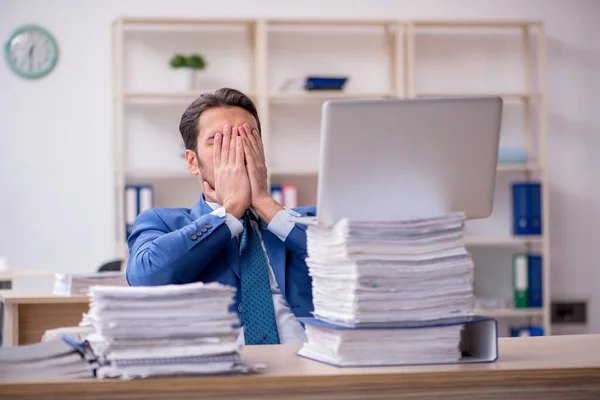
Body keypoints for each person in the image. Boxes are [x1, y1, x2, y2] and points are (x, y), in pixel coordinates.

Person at [126, 88, 315, 345]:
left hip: (313, 363)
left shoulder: (303, 221)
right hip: (219, 370)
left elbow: (351, 260)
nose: (237, 150)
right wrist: (230, 210)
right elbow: (147, 279)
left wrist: (262, 201)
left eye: (247, 137)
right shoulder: (161, 223)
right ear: (193, 162)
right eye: (219, 140)